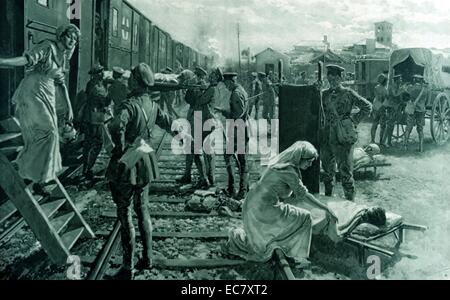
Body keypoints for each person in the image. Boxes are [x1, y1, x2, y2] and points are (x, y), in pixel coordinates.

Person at [106, 63, 183, 280]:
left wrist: (120, 149)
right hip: (145, 157)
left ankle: (127, 267)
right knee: (143, 209)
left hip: (129, 160)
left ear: (136, 83)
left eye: (131, 79)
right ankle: (147, 257)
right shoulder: (152, 104)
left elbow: (115, 127)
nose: (128, 81)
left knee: (125, 213)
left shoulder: (128, 106)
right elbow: (168, 123)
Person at [225, 141, 338, 263]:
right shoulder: (289, 172)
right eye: (308, 161)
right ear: (299, 158)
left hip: (253, 204)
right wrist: (325, 209)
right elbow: (304, 196)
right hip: (262, 208)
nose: (310, 164)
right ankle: (295, 254)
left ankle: (285, 248)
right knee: (305, 217)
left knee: (291, 214)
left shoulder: (280, 165)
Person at [0, 24, 79, 196]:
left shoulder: (64, 56)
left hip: (48, 93)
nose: (73, 41)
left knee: (50, 135)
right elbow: (26, 60)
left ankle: (39, 178)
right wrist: (3, 61)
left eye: (75, 38)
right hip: (33, 92)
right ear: (61, 35)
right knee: (49, 133)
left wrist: (69, 107)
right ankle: (33, 174)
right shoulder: (47, 47)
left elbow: (61, 84)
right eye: (69, 36)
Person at [320, 65, 372, 201]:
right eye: (330, 78)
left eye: (335, 78)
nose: (332, 81)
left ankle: (350, 202)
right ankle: (328, 199)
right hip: (326, 137)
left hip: (343, 137)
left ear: (340, 78)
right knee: (327, 172)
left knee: (346, 173)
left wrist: (353, 121)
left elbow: (367, 106)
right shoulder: (323, 94)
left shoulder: (348, 93)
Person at [176, 67, 211, 189]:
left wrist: (190, 88)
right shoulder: (198, 85)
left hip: (197, 118)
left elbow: (190, 100)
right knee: (189, 147)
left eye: (196, 75)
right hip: (194, 116)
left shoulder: (200, 86)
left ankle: (204, 179)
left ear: (200, 76)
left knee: (195, 149)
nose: (194, 77)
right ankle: (187, 175)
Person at [81, 64, 112, 181]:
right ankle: (88, 169)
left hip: (94, 117)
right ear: (96, 74)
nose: (103, 73)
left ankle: (87, 168)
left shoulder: (98, 84)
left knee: (89, 144)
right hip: (94, 118)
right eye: (101, 72)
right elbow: (102, 100)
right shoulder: (94, 86)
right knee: (97, 143)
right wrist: (109, 98)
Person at [403, 75, 429, 152]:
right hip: (421, 110)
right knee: (420, 129)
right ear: (421, 80)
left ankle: (405, 146)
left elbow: (406, 94)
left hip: (412, 110)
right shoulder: (425, 89)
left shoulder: (411, 88)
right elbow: (427, 101)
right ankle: (421, 148)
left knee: (408, 128)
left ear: (415, 80)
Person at [370, 74, 388, 145]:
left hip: (375, 106)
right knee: (383, 125)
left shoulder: (376, 87)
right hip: (382, 107)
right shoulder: (385, 89)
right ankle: (381, 141)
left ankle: (372, 140)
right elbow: (384, 98)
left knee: (375, 124)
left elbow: (376, 96)